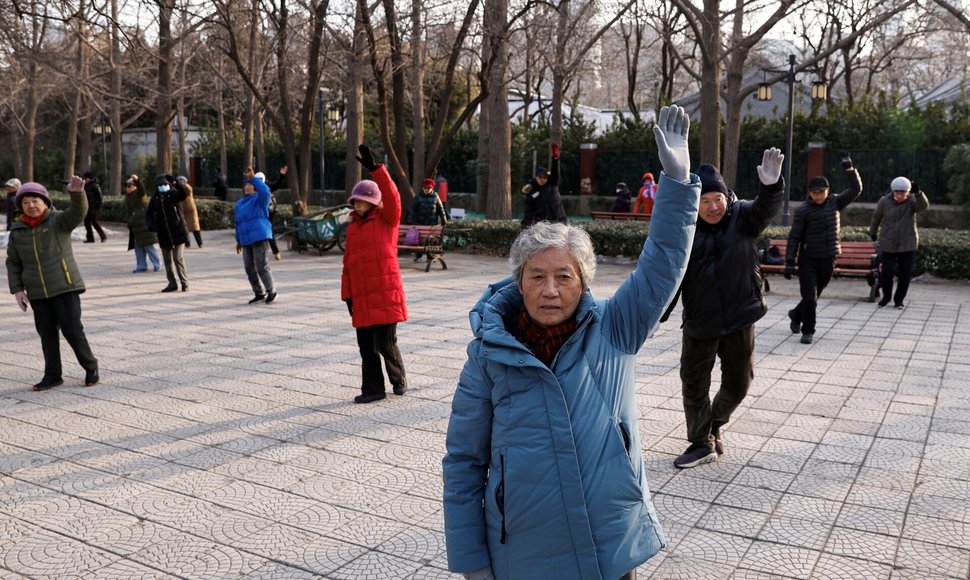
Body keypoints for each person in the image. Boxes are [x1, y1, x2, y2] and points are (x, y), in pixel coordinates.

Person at [443, 105, 700, 580]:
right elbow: (463, 462)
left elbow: (662, 265)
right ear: (518, 282)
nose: (550, 290)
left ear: (584, 282)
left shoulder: (614, 326)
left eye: (564, 276)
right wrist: (471, 562)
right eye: (536, 276)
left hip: (611, 540)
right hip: (524, 551)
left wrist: (679, 188)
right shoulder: (487, 355)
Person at [664, 150, 785, 469]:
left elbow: (765, 208)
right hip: (700, 322)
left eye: (717, 198)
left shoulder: (742, 217)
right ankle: (700, 442)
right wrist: (655, 311)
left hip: (739, 317)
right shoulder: (685, 230)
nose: (713, 206)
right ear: (696, 204)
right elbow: (668, 270)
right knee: (694, 383)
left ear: (726, 197)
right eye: (705, 201)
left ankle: (713, 424)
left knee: (739, 382)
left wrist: (771, 187)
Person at [6, 178, 99, 391]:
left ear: (45, 203)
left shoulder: (58, 220)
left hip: (64, 286)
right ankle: (53, 375)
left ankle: (90, 366)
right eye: (26, 202)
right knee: (46, 334)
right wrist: (18, 289)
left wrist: (77, 195)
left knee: (72, 330)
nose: (31, 205)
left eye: (35, 201)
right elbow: (13, 262)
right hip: (37, 292)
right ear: (20, 206)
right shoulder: (18, 230)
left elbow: (78, 212)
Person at [341, 144, 409, 404]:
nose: (357, 205)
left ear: (371, 202)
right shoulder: (353, 229)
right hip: (361, 298)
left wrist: (375, 169)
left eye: (361, 201)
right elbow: (348, 265)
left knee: (385, 344)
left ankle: (398, 378)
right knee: (366, 349)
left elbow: (393, 195)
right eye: (355, 201)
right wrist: (347, 296)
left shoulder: (387, 220)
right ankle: (372, 389)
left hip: (384, 295)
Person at [785, 152, 863, 343]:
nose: (818, 195)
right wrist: (789, 261)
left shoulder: (835, 203)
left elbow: (856, 189)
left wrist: (849, 169)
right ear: (810, 193)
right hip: (808, 259)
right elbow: (794, 236)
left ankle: (796, 314)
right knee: (810, 296)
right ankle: (808, 331)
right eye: (815, 192)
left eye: (822, 192)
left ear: (827, 191)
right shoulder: (803, 211)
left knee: (814, 296)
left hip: (829, 257)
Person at [869, 176, 929, 309]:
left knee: (904, 274)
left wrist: (919, 194)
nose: (900, 195)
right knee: (887, 272)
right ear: (893, 191)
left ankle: (899, 300)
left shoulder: (912, 201)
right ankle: (886, 297)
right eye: (897, 192)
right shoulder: (884, 201)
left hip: (907, 243)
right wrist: (873, 232)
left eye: (903, 192)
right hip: (888, 242)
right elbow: (876, 217)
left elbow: (923, 206)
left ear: (908, 192)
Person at [235, 176, 278, 304]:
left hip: (259, 235)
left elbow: (266, 191)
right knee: (248, 267)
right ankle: (259, 292)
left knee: (261, 266)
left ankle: (272, 290)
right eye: (246, 185)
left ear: (255, 186)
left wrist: (254, 178)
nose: (248, 187)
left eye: (250, 185)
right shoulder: (240, 203)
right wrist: (238, 240)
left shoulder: (260, 199)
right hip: (245, 238)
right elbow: (237, 222)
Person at [146, 174, 190, 292]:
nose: (163, 186)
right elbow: (149, 214)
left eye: (165, 184)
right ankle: (172, 283)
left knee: (178, 258)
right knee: (167, 261)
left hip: (178, 232)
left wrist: (176, 183)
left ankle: (184, 282)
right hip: (163, 234)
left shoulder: (174, 194)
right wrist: (152, 226)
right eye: (160, 185)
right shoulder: (155, 198)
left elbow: (185, 193)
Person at [521, 143, 566, 227]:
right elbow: (528, 208)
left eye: (544, 177)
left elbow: (555, 172)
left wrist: (555, 159)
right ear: (536, 177)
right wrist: (526, 222)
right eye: (540, 177)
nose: (542, 179)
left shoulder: (552, 184)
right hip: (541, 225)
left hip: (558, 221)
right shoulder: (532, 190)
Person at [123, 174, 161, 273]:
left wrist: (137, 180)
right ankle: (141, 265)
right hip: (135, 226)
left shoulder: (139, 194)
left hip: (144, 225)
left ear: (135, 186)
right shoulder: (127, 197)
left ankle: (157, 264)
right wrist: (129, 221)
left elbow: (142, 188)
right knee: (138, 247)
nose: (127, 188)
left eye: (129, 186)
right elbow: (128, 212)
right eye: (126, 186)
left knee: (149, 246)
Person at [408, 177, 448, 262]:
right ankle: (418, 255)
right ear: (422, 188)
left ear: (432, 188)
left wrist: (444, 221)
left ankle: (430, 256)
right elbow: (412, 209)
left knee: (431, 240)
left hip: (432, 222)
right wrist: (410, 220)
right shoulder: (418, 197)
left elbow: (441, 209)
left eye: (429, 188)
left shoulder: (435, 196)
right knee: (419, 239)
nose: (426, 189)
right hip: (420, 222)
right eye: (425, 188)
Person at [258, 167, 287, 260]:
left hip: (269, 213)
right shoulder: (253, 188)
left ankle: (275, 251)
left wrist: (282, 175)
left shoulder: (267, 186)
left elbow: (277, 185)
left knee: (269, 231)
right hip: (260, 213)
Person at [176, 176, 203, 248]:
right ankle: (187, 243)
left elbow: (186, 192)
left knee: (195, 227)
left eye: (182, 180)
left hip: (190, 210)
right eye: (179, 180)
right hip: (183, 209)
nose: (181, 182)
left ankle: (199, 243)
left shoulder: (187, 188)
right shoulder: (178, 188)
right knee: (185, 228)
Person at [82, 171, 107, 243]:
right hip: (87, 207)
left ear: (90, 178)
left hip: (93, 208)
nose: (84, 180)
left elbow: (100, 198)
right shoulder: (86, 186)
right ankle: (91, 238)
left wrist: (96, 208)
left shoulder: (95, 186)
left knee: (94, 223)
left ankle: (103, 236)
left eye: (85, 178)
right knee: (87, 223)